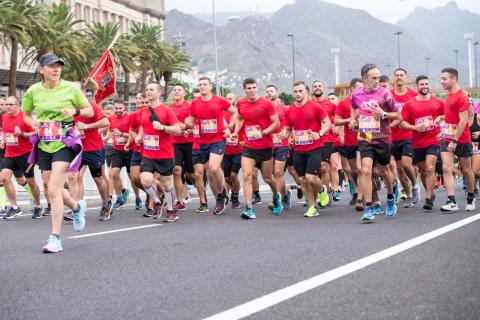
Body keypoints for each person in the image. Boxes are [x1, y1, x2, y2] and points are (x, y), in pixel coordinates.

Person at [22, 53, 93, 253]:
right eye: (51, 66)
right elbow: (26, 115)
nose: (56, 69)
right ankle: (77, 208)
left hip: (65, 142)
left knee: (53, 189)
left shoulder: (71, 88)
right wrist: (32, 122)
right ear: (41, 70)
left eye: (58, 66)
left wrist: (75, 112)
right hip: (44, 143)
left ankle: (55, 238)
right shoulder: (33, 90)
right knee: (48, 186)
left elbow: (89, 111)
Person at [350, 63, 400, 222]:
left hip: (383, 138)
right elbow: (354, 109)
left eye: (379, 77)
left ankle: (391, 198)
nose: (377, 80)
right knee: (365, 171)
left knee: (385, 170)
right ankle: (369, 207)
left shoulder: (385, 94)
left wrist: (384, 114)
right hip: (365, 137)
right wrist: (353, 121)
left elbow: (399, 116)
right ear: (364, 79)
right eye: (374, 77)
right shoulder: (357, 94)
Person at [232, 78, 282, 219]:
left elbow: (276, 123)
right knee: (247, 176)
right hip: (249, 146)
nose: (252, 90)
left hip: (265, 146)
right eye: (249, 88)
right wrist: (236, 132)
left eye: (254, 87)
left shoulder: (266, 104)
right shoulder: (241, 103)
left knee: (268, 178)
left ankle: (275, 195)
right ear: (244, 90)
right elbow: (240, 119)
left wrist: (263, 133)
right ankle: (249, 208)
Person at [186, 76, 237, 215]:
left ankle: (220, 197)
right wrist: (185, 126)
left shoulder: (220, 100)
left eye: (205, 84)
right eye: (200, 84)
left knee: (214, 168)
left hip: (218, 139)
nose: (202, 86)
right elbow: (191, 122)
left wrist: (229, 128)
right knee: (211, 172)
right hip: (203, 142)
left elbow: (234, 113)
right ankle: (221, 193)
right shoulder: (195, 103)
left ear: (210, 86)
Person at [280, 81, 331, 217]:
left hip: (314, 147)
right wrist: (283, 136)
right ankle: (312, 207)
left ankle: (322, 190)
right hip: (298, 149)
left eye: (300, 91)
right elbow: (288, 130)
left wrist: (319, 133)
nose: (298, 94)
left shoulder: (315, 107)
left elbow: (328, 123)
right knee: (302, 180)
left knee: (311, 177)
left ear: (306, 92)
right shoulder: (290, 110)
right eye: (295, 91)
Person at [137, 82, 181, 222]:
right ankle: (157, 201)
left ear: (159, 92)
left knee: (167, 184)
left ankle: (171, 211)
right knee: (145, 180)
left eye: (151, 89)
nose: (148, 92)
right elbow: (144, 127)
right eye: (147, 89)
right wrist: (139, 137)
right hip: (148, 153)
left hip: (164, 154)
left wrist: (162, 127)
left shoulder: (167, 110)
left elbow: (177, 129)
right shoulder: (143, 111)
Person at [67, 82, 112, 221]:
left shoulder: (90, 106)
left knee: (98, 178)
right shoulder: (68, 107)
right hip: (76, 149)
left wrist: (87, 126)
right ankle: (77, 208)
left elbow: (106, 123)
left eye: (76, 90)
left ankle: (106, 204)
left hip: (93, 148)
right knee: (74, 177)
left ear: (83, 91)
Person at [400, 75, 444, 210]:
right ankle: (429, 193)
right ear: (416, 86)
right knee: (423, 171)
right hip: (418, 143)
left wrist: (443, 132)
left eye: (426, 84)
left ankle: (429, 198)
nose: (425, 86)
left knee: (430, 168)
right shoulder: (410, 104)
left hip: (433, 140)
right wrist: (415, 128)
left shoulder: (438, 102)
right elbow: (402, 123)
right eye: (422, 84)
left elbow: (449, 117)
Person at [435, 68, 475, 211]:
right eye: (441, 78)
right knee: (446, 168)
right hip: (447, 137)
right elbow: (452, 116)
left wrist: (455, 140)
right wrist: (442, 118)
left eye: (444, 79)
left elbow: (463, 121)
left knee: (466, 170)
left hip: (461, 139)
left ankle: (471, 197)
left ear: (454, 79)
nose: (441, 81)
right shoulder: (448, 96)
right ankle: (451, 201)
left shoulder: (462, 96)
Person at [1, 96, 42, 220]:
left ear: (18, 105)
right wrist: (3, 140)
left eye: (10, 104)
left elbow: (36, 133)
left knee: (30, 181)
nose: (7, 107)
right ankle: (14, 208)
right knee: (4, 178)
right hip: (9, 153)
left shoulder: (25, 117)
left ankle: (38, 205)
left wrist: (22, 134)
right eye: (6, 104)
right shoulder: (4, 117)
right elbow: (5, 131)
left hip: (25, 154)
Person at [390, 68, 420, 204]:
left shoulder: (414, 95)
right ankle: (407, 194)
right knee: (400, 168)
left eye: (401, 75)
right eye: (397, 75)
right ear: (394, 78)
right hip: (392, 137)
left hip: (409, 135)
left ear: (406, 77)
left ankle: (414, 186)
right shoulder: (388, 95)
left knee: (406, 165)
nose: (399, 77)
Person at [334, 78, 364, 207]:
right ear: (352, 89)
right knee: (353, 170)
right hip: (350, 140)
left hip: (364, 139)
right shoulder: (343, 103)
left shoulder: (367, 101)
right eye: (359, 88)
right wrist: (349, 120)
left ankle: (361, 197)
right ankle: (357, 190)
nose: (361, 90)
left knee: (360, 168)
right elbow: (336, 121)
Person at [311, 81, 338, 206]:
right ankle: (317, 193)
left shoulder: (330, 105)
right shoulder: (308, 104)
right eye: (315, 86)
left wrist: (339, 130)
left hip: (326, 139)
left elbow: (338, 118)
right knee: (314, 170)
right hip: (311, 140)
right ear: (312, 89)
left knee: (324, 167)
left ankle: (325, 195)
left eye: (319, 86)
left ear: (323, 88)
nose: (317, 88)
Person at [169, 84, 195, 211]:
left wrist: (188, 130)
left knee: (192, 174)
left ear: (184, 92)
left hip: (190, 143)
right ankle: (180, 200)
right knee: (177, 170)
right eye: (175, 89)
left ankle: (203, 197)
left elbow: (196, 124)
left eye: (179, 89)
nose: (176, 91)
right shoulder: (169, 108)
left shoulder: (190, 106)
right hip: (175, 143)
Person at [266, 84, 291, 208]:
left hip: (282, 143)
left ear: (277, 93)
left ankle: (278, 199)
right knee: (270, 174)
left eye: (272, 90)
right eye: (267, 91)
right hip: (268, 144)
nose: (269, 93)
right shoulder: (265, 108)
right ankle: (285, 194)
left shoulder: (285, 108)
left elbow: (292, 123)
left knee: (278, 172)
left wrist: (289, 137)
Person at [107, 99, 132, 210]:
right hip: (116, 150)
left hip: (129, 150)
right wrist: (105, 138)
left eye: (120, 108)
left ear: (124, 108)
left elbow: (132, 135)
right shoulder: (111, 119)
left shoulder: (129, 118)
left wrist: (122, 134)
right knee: (113, 173)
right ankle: (120, 198)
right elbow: (110, 133)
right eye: (116, 108)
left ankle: (139, 198)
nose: (118, 110)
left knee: (134, 177)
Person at [223, 93, 242, 208]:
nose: (227, 100)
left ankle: (235, 196)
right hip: (225, 150)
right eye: (226, 98)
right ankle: (232, 192)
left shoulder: (239, 114)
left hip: (238, 150)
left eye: (230, 98)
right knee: (227, 178)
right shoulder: (222, 114)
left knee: (234, 174)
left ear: (235, 101)